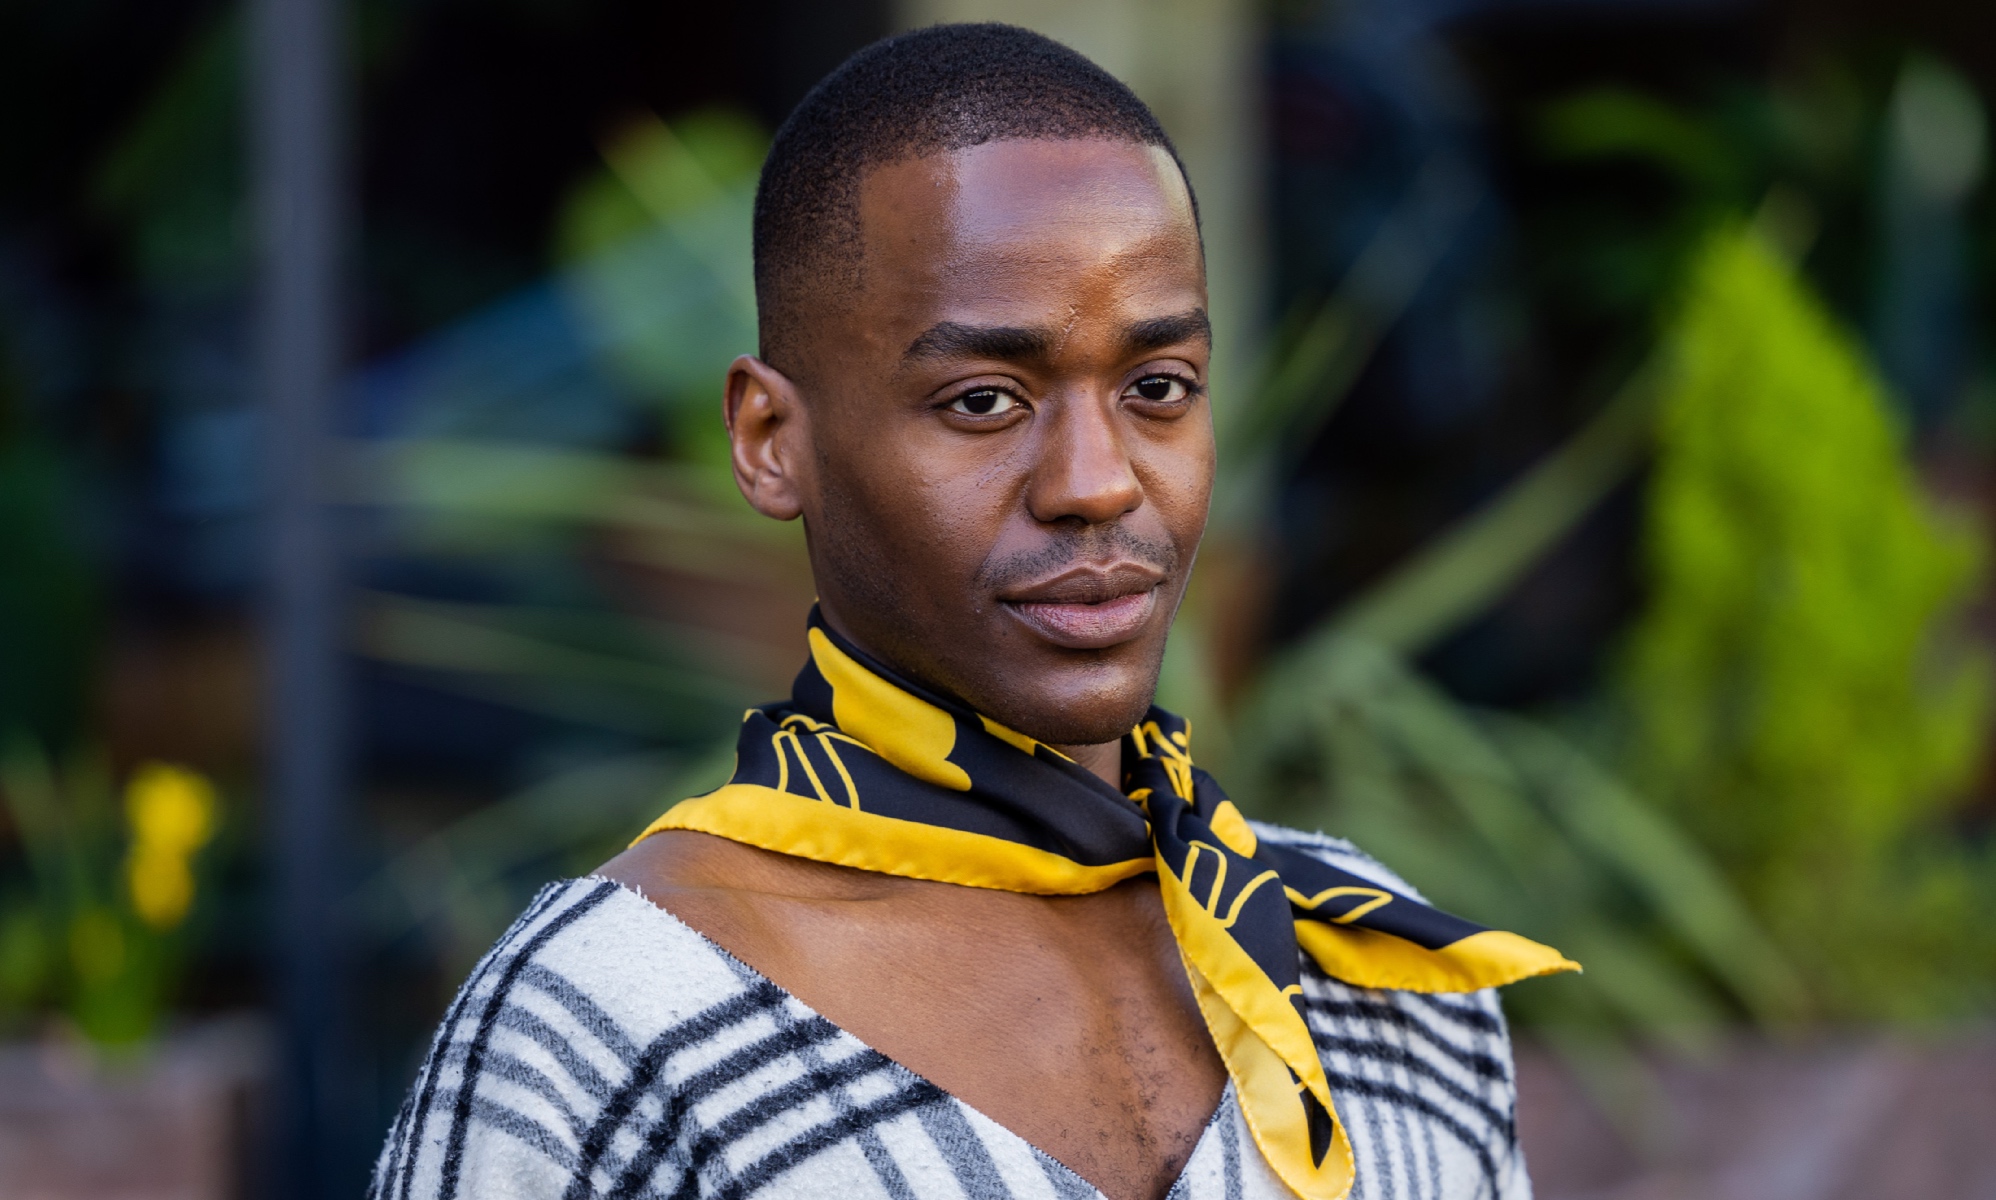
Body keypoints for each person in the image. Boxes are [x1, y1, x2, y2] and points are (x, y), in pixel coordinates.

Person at [371, 23, 1575, 1200]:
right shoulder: (612, 1031)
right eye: (985, 401)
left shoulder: (1381, 981)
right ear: (769, 440)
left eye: (1158, 387)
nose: (1098, 481)